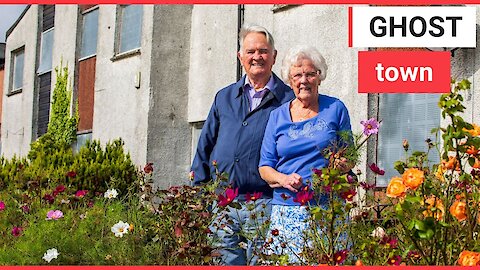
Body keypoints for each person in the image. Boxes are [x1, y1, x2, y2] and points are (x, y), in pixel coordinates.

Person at [191, 24, 295, 265]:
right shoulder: (224, 97)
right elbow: (205, 144)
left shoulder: (288, 100)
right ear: (240, 57)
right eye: (250, 51)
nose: (256, 57)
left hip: (266, 203)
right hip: (223, 204)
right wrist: (200, 192)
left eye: (263, 51)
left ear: (274, 56)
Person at [259, 45, 352, 262]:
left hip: (327, 210)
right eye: (297, 75)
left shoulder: (336, 108)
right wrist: (283, 179)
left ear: (319, 77)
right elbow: (265, 167)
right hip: (286, 210)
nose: (304, 80)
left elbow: (350, 156)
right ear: (290, 81)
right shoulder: (277, 117)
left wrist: (341, 164)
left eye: (310, 74)